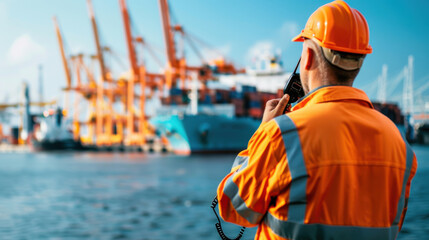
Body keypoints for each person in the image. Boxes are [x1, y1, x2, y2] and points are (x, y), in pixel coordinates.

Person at [216, 1, 418, 239]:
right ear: (359, 64)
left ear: (307, 57)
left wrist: (260, 137)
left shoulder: (281, 134)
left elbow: (233, 208)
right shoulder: (400, 144)